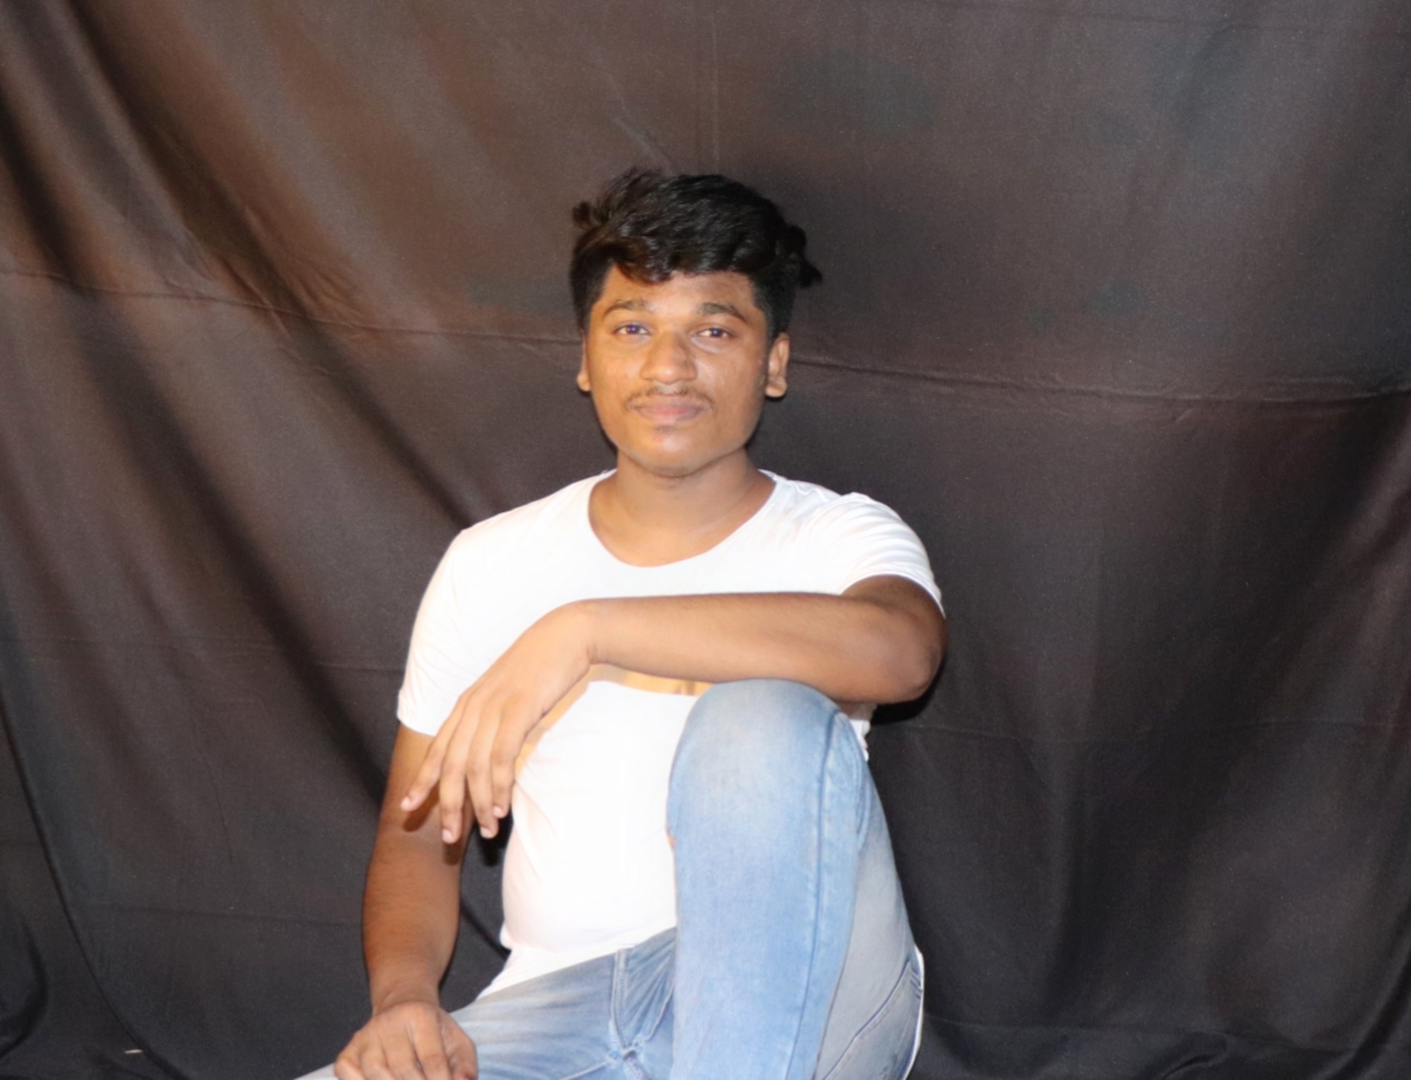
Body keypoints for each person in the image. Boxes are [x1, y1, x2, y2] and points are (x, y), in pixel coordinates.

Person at [318, 168, 946, 1080]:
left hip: (810, 993)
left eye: (713, 331)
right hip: (561, 1010)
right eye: (633, 328)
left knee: (757, 716)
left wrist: (586, 629)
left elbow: (901, 653)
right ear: (585, 357)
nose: (668, 367)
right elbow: (419, 830)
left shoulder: (837, 536)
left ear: (773, 363)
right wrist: (405, 1000)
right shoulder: (492, 562)